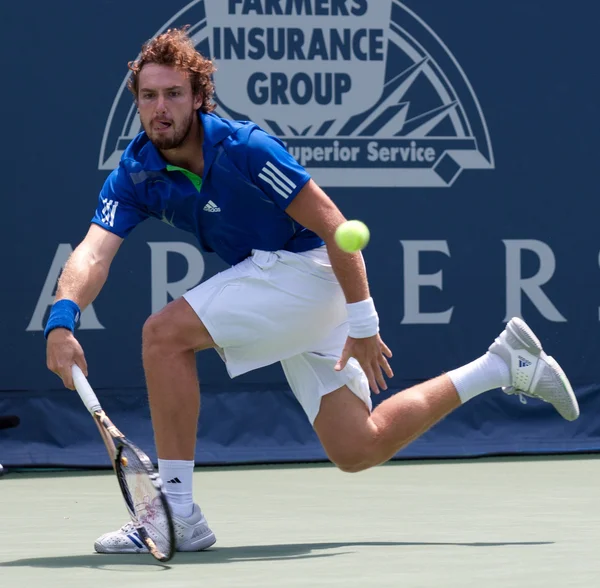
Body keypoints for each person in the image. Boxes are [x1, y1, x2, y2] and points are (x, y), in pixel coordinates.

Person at [45, 27, 579, 554]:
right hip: (288, 287)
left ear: (199, 98)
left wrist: (364, 324)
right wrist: (62, 318)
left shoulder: (246, 149)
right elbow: (93, 252)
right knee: (357, 445)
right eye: (149, 96)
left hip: (313, 272)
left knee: (163, 336)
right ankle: (502, 365)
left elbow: (335, 229)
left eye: (174, 94)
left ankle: (176, 512)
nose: (160, 107)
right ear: (137, 102)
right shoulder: (136, 171)